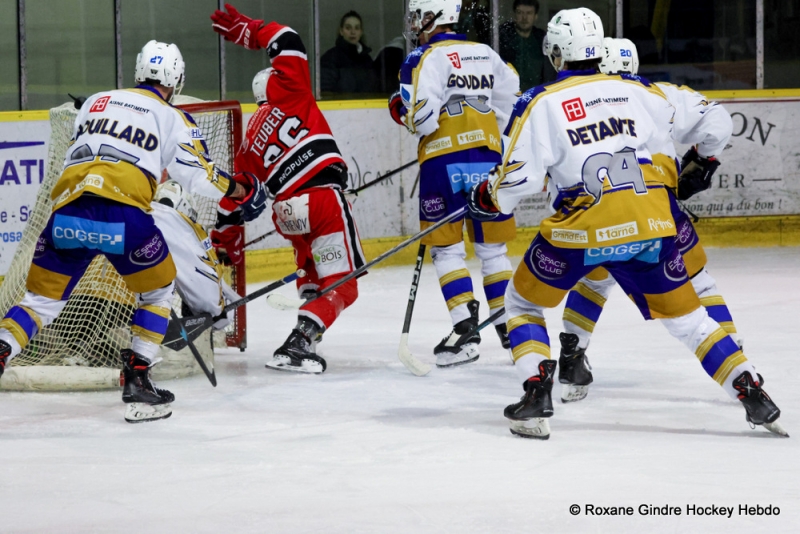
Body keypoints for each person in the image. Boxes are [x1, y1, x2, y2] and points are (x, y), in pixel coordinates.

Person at [467, 8, 784, 439]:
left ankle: (537, 392)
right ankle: (752, 392)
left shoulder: (539, 101)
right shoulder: (643, 92)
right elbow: (706, 123)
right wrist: (702, 164)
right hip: (650, 223)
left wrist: (487, 196)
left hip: (583, 227)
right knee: (693, 320)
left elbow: (516, 181)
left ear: (557, 52)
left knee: (522, 303)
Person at [0, 40, 265, 423]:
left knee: (40, 300)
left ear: (139, 71)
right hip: (123, 217)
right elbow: (200, 177)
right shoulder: (173, 116)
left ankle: (4, 347)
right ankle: (138, 378)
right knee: (158, 289)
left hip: (67, 213)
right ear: (176, 79)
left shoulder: (94, 102)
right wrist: (243, 189)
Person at [557, 37, 741, 403]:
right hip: (654, 212)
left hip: (594, 213)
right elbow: (719, 122)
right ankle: (734, 361)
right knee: (697, 280)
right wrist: (704, 162)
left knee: (594, 282)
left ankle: (571, 359)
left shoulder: (572, 100)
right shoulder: (657, 94)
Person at [211, 5, 365, 374]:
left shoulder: (249, 140)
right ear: (275, 81)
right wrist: (251, 30)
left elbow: (235, 196)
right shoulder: (291, 89)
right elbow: (289, 40)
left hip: (289, 214)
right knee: (344, 286)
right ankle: (299, 342)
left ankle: (306, 332)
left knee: (313, 273)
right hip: (322, 200)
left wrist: (225, 240)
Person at [390, 0, 520, 368]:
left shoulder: (422, 58)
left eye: (418, 16)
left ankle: (465, 328)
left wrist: (397, 108)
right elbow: (511, 105)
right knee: (493, 251)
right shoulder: (486, 53)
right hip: (489, 161)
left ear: (433, 16)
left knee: (447, 250)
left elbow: (422, 119)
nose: (415, 24)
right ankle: (513, 332)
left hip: (443, 164)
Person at [499, 0, 553, 91]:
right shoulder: (502, 36)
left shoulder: (541, 38)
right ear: (514, 15)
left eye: (529, 13)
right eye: (520, 13)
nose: (524, 18)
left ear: (535, 16)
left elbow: (548, 71)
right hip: (507, 94)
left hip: (535, 95)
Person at [321, 11, 378, 94]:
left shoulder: (367, 60)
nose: (353, 32)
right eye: (348, 28)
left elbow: (375, 89)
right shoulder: (330, 58)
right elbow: (325, 91)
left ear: (361, 32)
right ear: (341, 31)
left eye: (357, 28)